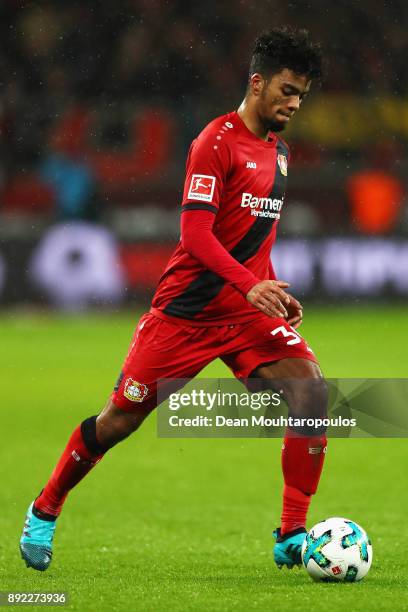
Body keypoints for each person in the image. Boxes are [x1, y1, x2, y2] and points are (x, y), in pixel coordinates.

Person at [20, 26, 327, 572]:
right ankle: (45, 508)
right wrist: (249, 283)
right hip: (184, 315)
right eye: (286, 90)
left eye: (301, 94)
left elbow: (255, 239)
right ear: (257, 83)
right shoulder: (214, 142)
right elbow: (196, 236)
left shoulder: (279, 154)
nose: (294, 103)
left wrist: (271, 289)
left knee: (311, 397)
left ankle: (291, 533)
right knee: (118, 421)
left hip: (245, 313)